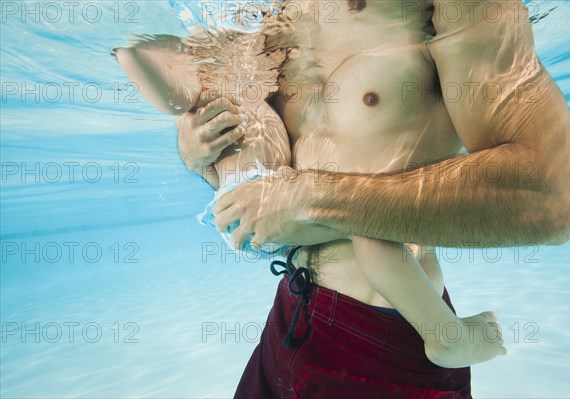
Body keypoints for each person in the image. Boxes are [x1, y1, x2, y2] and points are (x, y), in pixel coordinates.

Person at [187, 0, 570, 397]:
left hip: (386, 336)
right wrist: (205, 155)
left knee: (375, 243)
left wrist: (308, 198)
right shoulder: (273, 16)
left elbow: (549, 196)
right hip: (287, 317)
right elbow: (270, 185)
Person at [114, 0, 507, 375]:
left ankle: (448, 337)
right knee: (368, 228)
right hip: (289, 312)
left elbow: (504, 189)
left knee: (370, 228)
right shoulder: (272, 53)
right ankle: (446, 337)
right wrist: (194, 156)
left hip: (382, 332)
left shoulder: (436, 34)